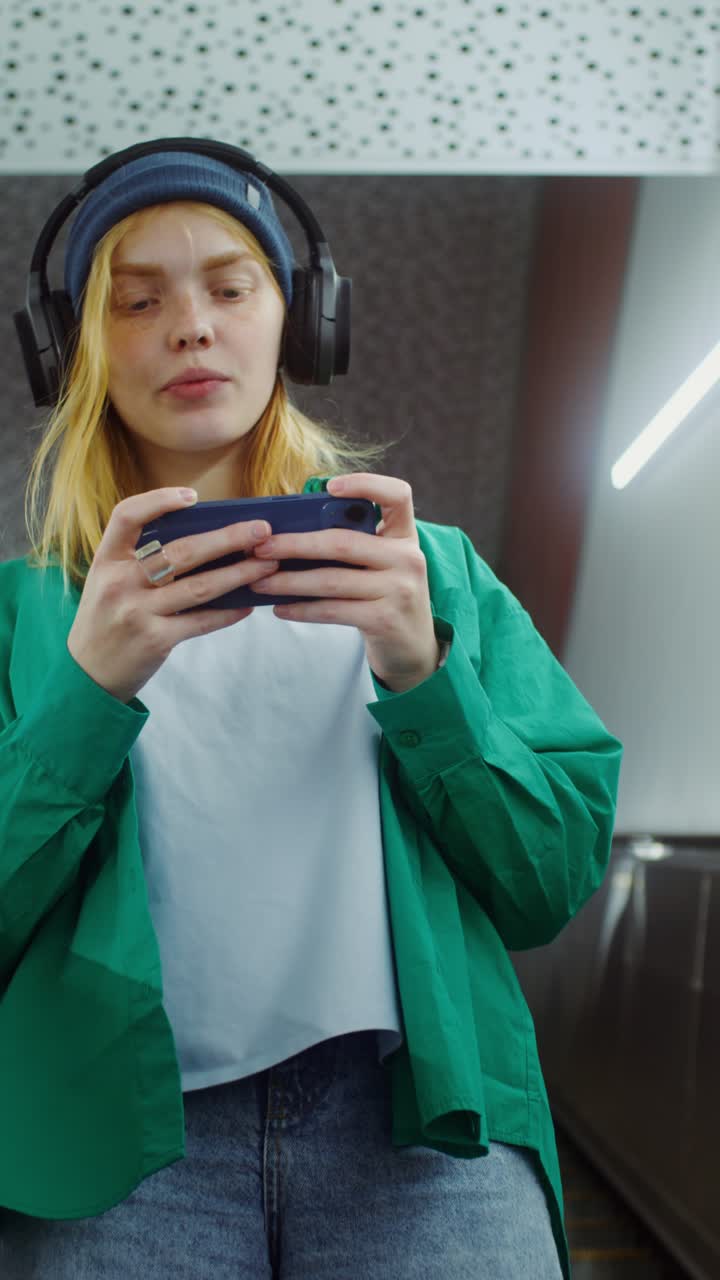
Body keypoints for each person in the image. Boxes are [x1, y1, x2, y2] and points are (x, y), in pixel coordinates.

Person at [0, 139, 622, 1280]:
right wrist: (84, 697)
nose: (191, 325)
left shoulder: (435, 575)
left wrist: (425, 674)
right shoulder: (24, 612)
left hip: (420, 1129)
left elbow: (549, 883)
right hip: (118, 1145)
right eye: (138, 300)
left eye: (231, 287)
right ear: (76, 348)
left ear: (300, 317)